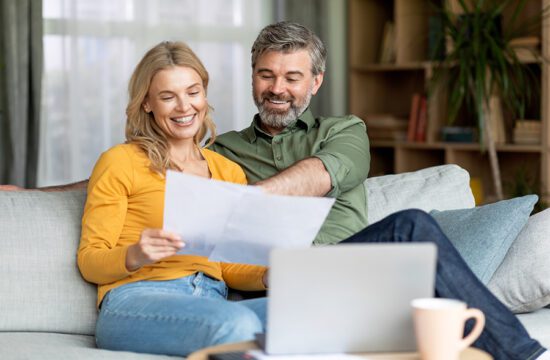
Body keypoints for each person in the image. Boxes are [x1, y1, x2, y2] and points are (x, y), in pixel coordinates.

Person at [2, 22, 549, 360]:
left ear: (314, 82)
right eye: (267, 75)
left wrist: (246, 209)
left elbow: (318, 177)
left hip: (320, 268)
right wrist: (32, 192)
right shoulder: (205, 157)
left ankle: (516, 354)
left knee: (413, 230)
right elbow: (123, 181)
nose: (278, 88)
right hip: (208, 289)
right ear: (252, 78)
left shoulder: (328, 136)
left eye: (292, 77)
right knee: (264, 320)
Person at [77, 41, 268, 357]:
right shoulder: (120, 161)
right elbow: (89, 260)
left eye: (193, 92)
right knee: (235, 324)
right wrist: (137, 254)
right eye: (168, 97)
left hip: (211, 299)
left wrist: (269, 274)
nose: (184, 107)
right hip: (136, 301)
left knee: (311, 312)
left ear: (204, 96)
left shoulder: (228, 171)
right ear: (148, 103)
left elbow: (229, 265)